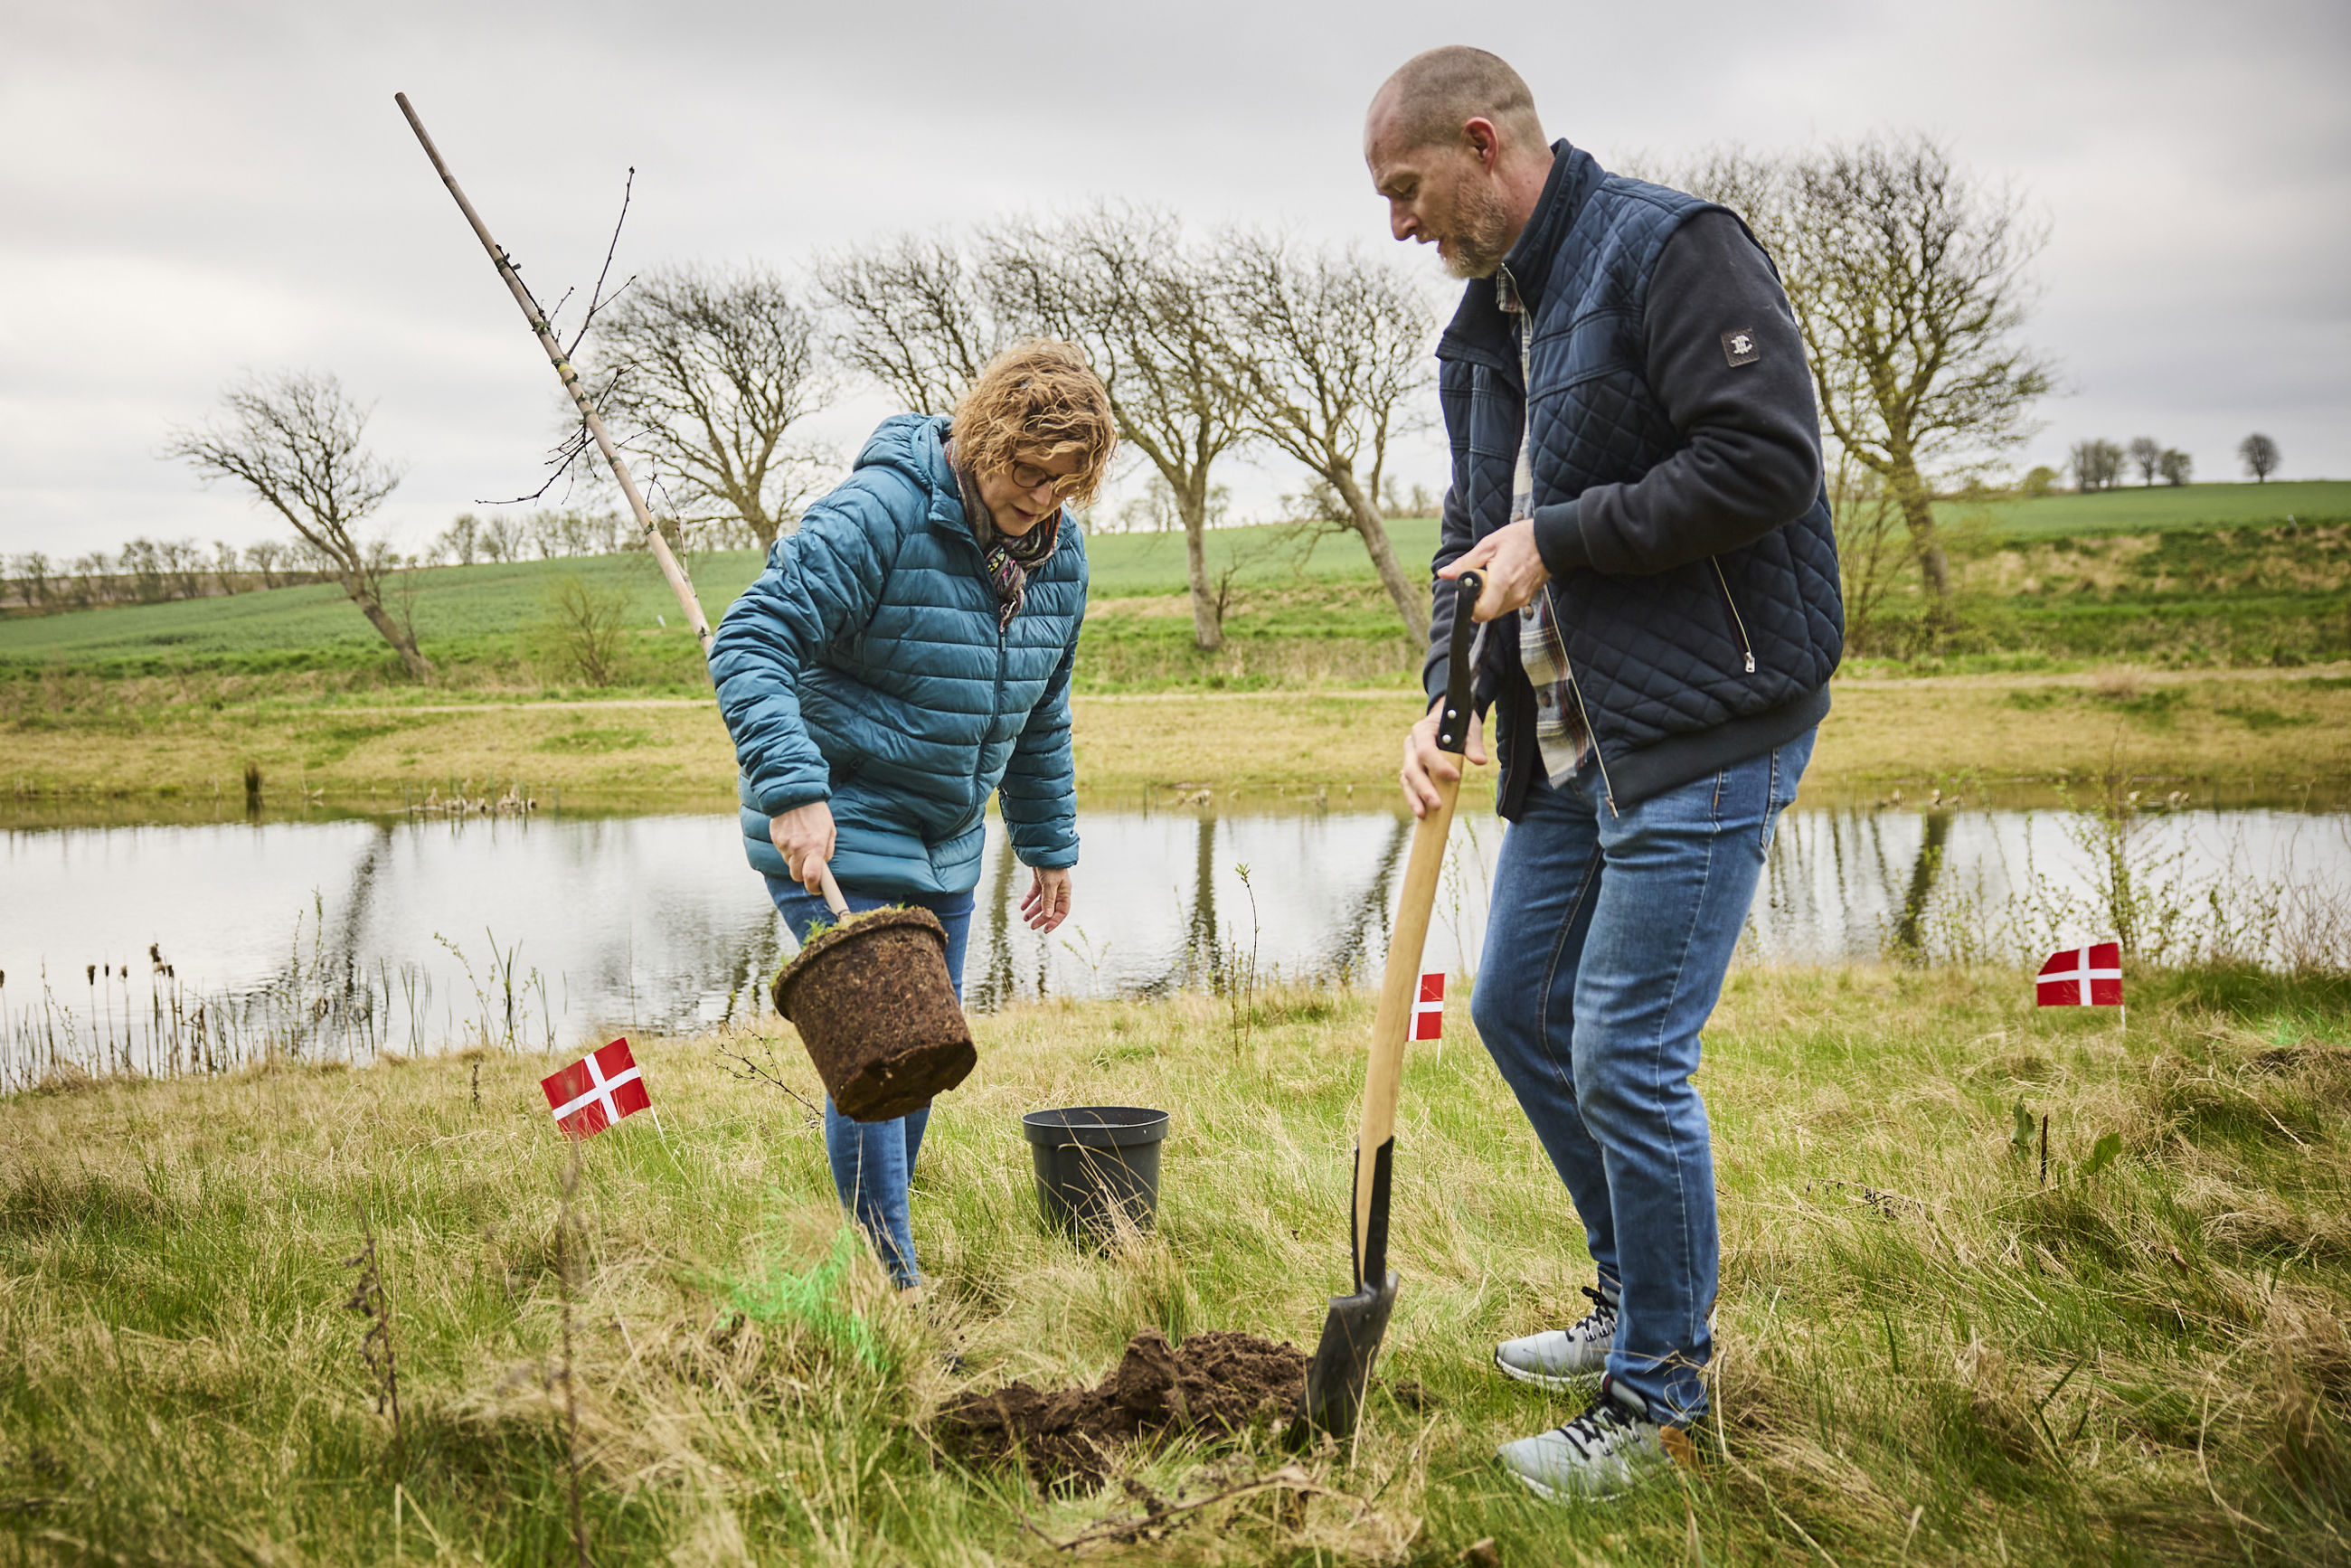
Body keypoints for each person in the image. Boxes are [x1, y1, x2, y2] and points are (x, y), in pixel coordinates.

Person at [1364, 48, 1845, 1499]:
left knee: (1627, 1049)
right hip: (1570, 740)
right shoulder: (1482, 328)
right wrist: (1443, 701)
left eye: (1405, 190)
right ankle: (1633, 1299)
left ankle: (1665, 1395)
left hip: (1709, 715)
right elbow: (1473, 540)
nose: (1395, 225)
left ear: (1481, 137)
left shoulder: (1671, 249)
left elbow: (1767, 460)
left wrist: (1559, 540)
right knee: (1518, 1009)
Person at [709, 340, 1114, 1289]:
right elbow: (751, 637)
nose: (1041, 497)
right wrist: (793, 791)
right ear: (981, 437)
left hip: (948, 845)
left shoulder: (1058, 557)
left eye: (1064, 481)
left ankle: (874, 1245)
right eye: (1026, 471)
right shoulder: (880, 514)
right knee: (879, 1057)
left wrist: (1048, 840)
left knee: (922, 1056)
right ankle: (892, 1279)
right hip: (838, 828)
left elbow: (1040, 703)